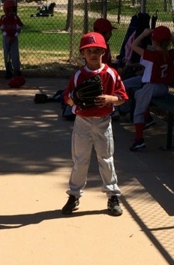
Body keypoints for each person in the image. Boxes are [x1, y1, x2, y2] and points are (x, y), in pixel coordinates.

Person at [61, 32, 128, 216]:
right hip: (82, 121)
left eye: (97, 50)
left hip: (103, 122)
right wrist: (74, 99)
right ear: (83, 53)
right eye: (89, 51)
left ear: (103, 52)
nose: (93, 54)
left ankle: (113, 195)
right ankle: (74, 195)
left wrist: (109, 99)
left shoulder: (111, 74)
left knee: (106, 159)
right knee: (80, 160)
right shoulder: (78, 75)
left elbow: (122, 97)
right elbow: (66, 98)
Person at [125, 26, 174, 151]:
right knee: (137, 91)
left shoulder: (152, 55)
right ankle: (148, 118)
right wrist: (170, 37)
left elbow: (133, 46)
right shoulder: (170, 53)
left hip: (152, 87)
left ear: (154, 41)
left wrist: (144, 34)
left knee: (139, 105)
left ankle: (139, 140)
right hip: (162, 88)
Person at [0, 0, 24, 79]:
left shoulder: (15, 18)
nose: (12, 12)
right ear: (6, 10)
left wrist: (14, 36)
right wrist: (8, 37)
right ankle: (8, 70)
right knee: (7, 54)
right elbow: (2, 29)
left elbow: (19, 29)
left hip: (14, 38)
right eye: (9, 10)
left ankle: (17, 70)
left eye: (13, 10)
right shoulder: (3, 18)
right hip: (6, 38)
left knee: (15, 54)